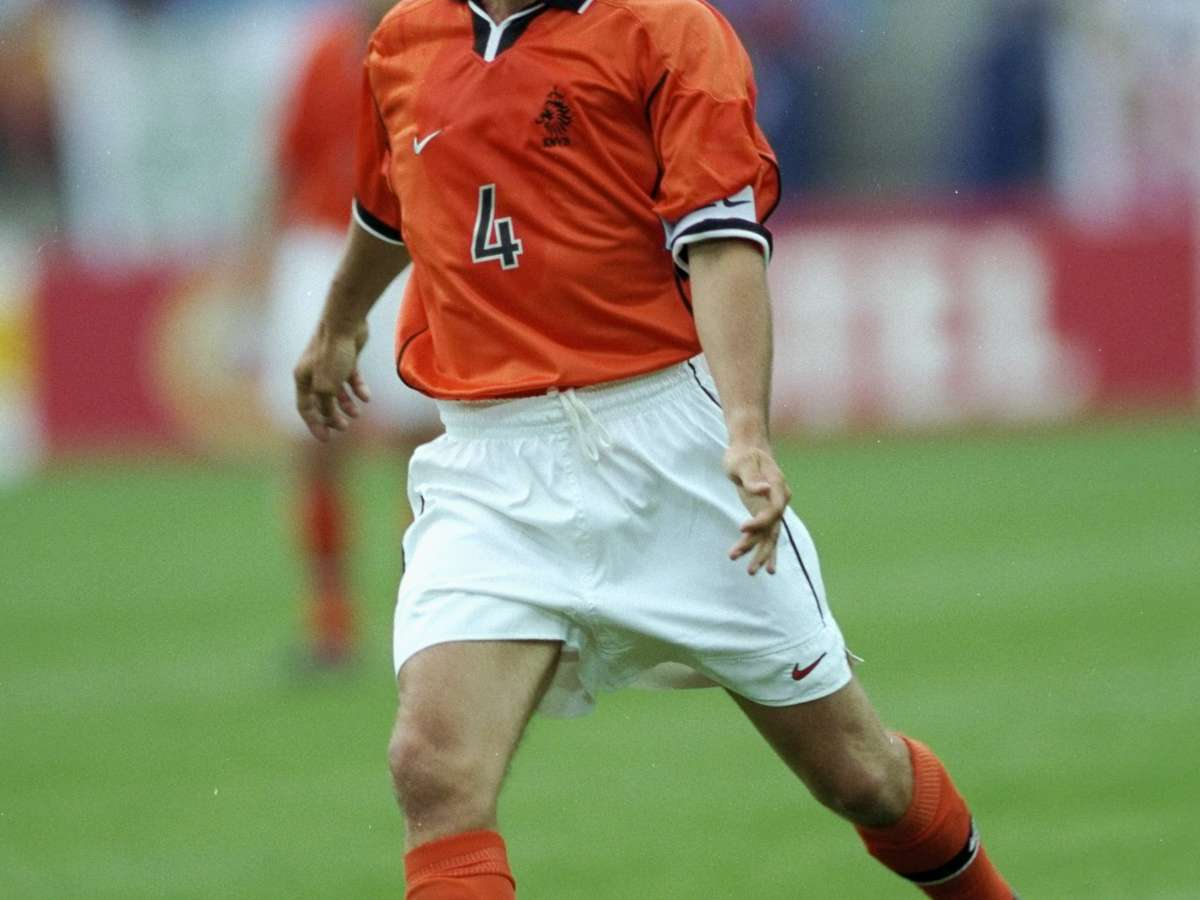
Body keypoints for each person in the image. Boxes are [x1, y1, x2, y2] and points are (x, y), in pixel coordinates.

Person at [293, 0, 1017, 895]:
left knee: (861, 777)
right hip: (489, 463)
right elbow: (387, 204)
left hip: (664, 447)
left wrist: (746, 430)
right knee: (432, 768)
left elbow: (720, 242)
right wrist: (339, 321)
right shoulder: (404, 41)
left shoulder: (668, 29)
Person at [259, 0, 437, 665]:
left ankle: (425, 606)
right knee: (313, 434)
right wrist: (256, 260)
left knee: (426, 441)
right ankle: (329, 617)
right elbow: (287, 163)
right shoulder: (324, 53)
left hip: (408, 247)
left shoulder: (437, 44)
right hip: (321, 246)